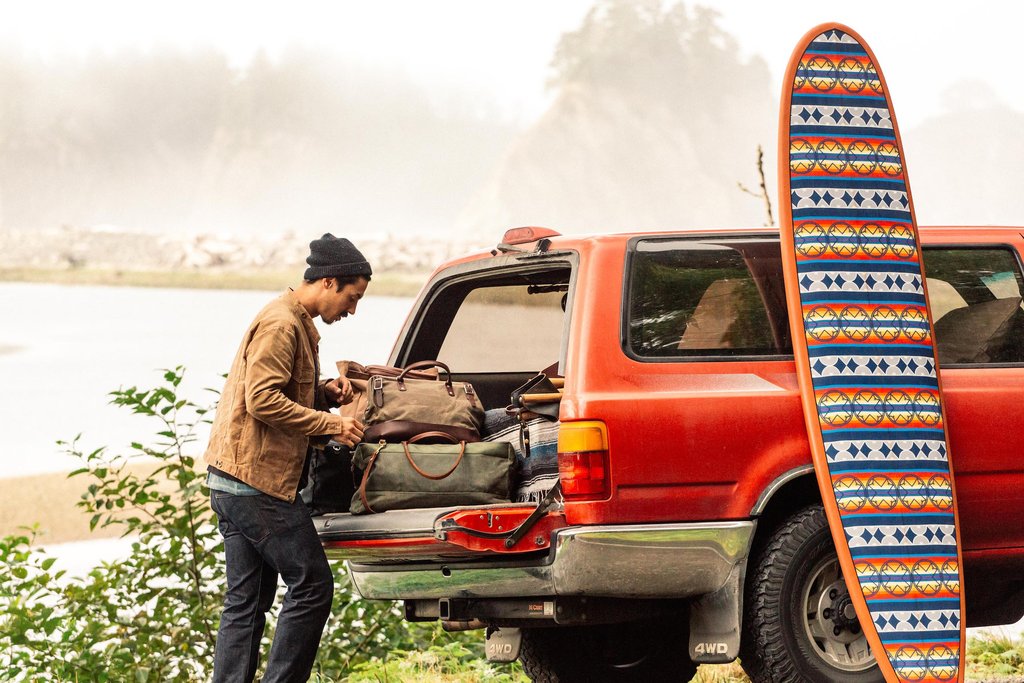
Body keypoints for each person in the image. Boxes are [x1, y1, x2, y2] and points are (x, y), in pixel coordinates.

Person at [204, 233, 370, 683]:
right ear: (330, 283)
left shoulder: (291, 319)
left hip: (230, 479)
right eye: (352, 298)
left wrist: (322, 396)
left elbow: (274, 397)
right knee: (313, 585)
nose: (352, 310)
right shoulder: (283, 324)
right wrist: (334, 425)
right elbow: (261, 402)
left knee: (246, 603)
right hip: (257, 484)